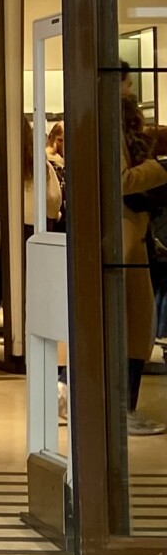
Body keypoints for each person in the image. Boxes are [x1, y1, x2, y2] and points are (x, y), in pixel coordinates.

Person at [119, 96, 167, 436]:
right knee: (132, 322)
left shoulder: (120, 132)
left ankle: (125, 406)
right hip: (122, 239)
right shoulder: (110, 131)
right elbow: (118, 181)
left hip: (133, 234)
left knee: (136, 322)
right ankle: (123, 408)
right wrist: (160, 168)